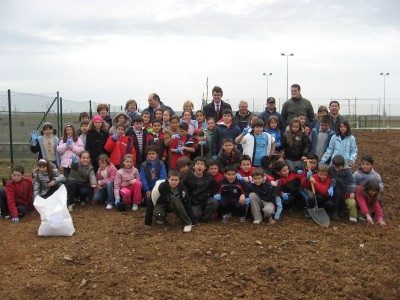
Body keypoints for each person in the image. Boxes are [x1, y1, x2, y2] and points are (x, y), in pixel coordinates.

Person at [181, 157, 218, 223]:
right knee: (195, 216)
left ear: (204, 168)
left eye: (202, 164)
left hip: (205, 200)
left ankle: (204, 218)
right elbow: (182, 188)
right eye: (197, 164)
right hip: (194, 202)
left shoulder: (209, 178)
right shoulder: (187, 177)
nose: (199, 165)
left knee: (214, 202)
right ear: (194, 167)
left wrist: (207, 195)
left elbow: (214, 189)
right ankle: (199, 215)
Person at [328, 155, 355, 221]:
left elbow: (351, 181)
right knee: (337, 194)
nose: (337, 169)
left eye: (339, 168)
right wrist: (331, 186)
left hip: (343, 187)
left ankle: (341, 210)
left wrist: (352, 191)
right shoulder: (331, 168)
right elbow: (332, 178)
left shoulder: (347, 170)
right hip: (335, 185)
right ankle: (335, 211)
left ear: (343, 165)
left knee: (342, 198)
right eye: (335, 167)